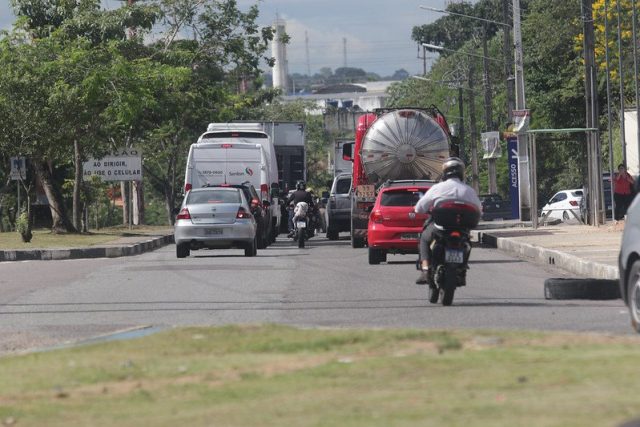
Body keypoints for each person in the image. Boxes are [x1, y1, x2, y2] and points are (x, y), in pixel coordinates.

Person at [414, 157, 482, 285]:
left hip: (440, 228)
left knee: (424, 238)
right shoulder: (469, 190)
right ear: (461, 173)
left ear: (445, 173)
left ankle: (425, 269)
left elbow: (419, 208)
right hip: (462, 229)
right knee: (467, 243)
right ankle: (462, 269)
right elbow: (479, 210)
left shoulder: (438, 188)